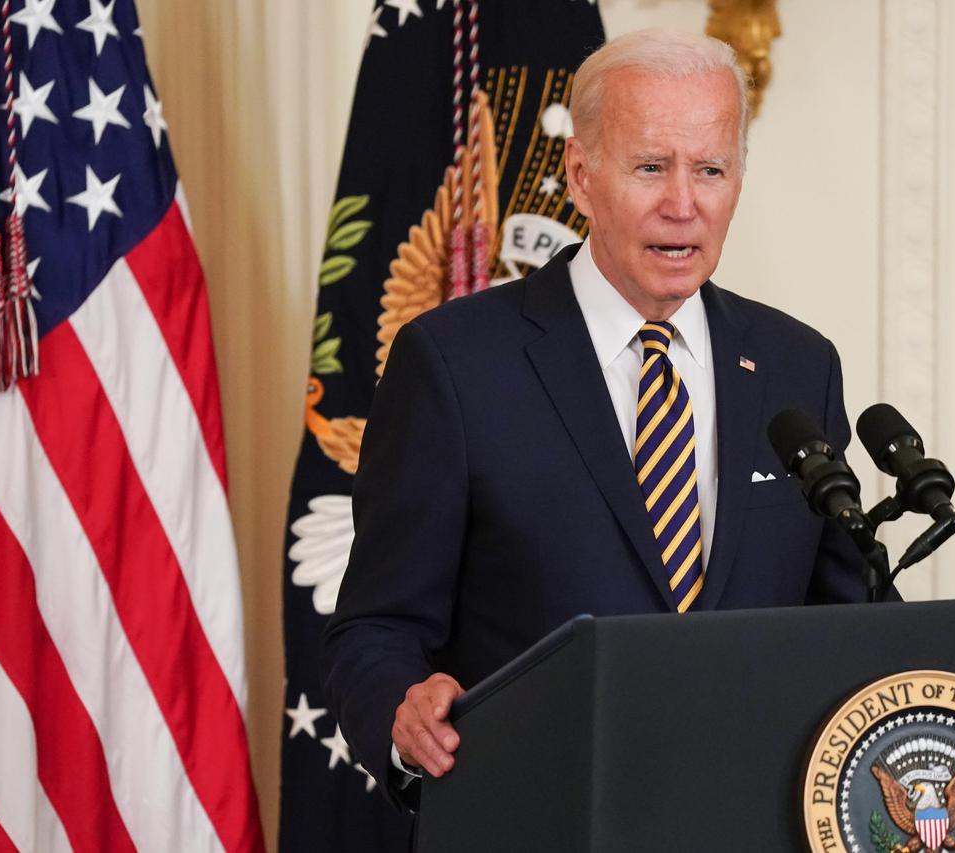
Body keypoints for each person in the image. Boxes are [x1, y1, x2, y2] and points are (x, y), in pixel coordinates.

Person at [321, 28, 871, 809]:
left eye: (710, 169)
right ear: (580, 176)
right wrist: (402, 713)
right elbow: (375, 629)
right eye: (650, 167)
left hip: (750, 814)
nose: (683, 204)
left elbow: (850, 622)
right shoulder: (454, 364)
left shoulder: (797, 365)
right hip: (537, 813)